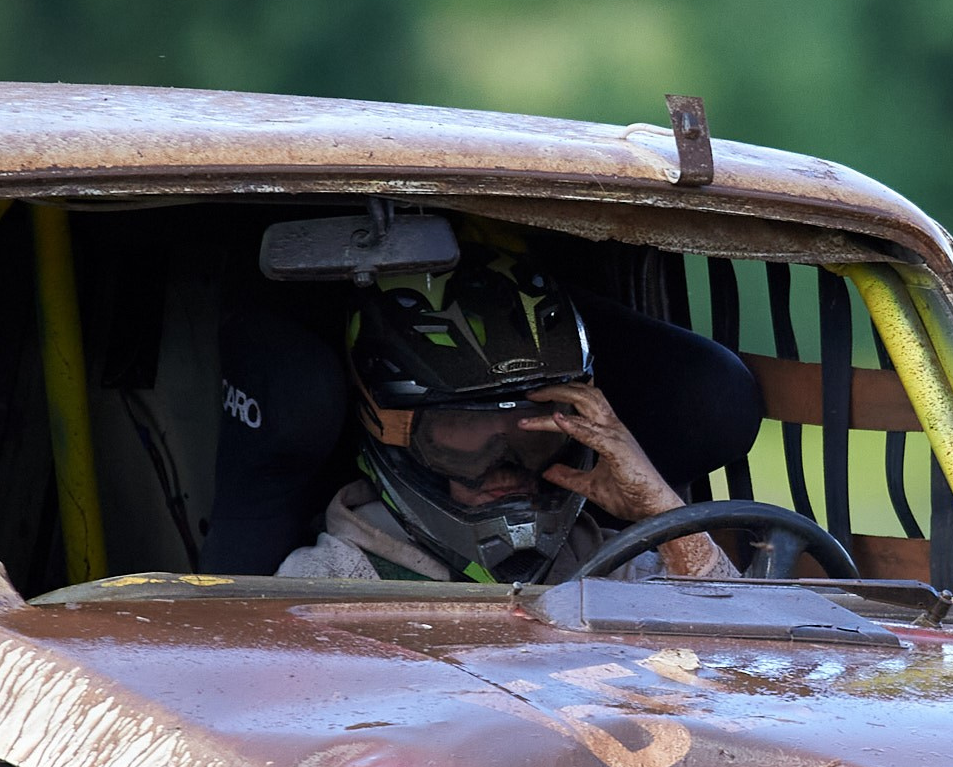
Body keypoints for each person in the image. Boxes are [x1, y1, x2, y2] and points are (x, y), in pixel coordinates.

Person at [279, 249, 745, 583]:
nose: (505, 465)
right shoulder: (333, 577)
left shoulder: (612, 564)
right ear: (393, 431)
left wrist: (660, 511)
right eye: (467, 429)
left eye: (534, 427)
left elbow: (733, 655)